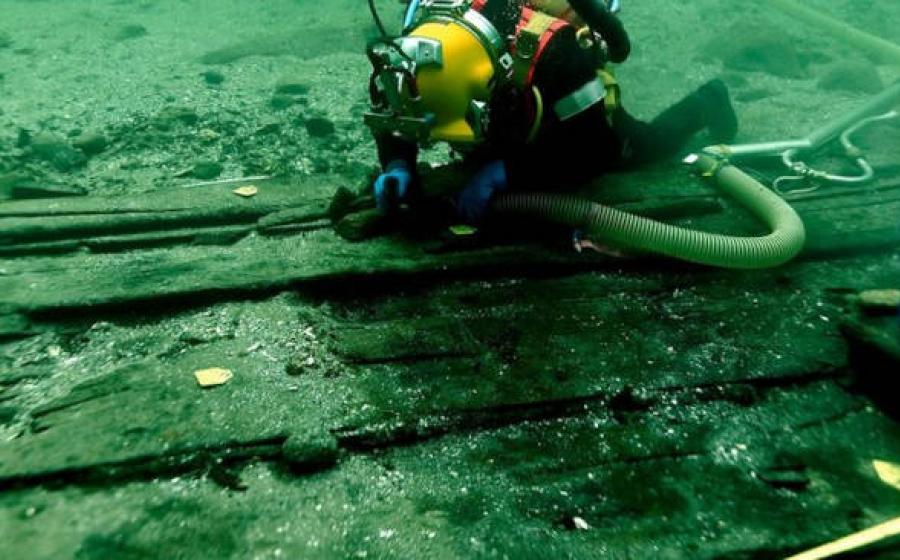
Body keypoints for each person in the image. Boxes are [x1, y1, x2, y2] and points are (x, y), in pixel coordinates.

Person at [365, 0, 738, 225]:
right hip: (516, 110)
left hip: (566, 114)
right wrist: (398, 163)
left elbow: (592, 149)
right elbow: (394, 110)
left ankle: (710, 100)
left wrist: (512, 172)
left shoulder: (559, 55)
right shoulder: (415, 48)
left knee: (639, 147)